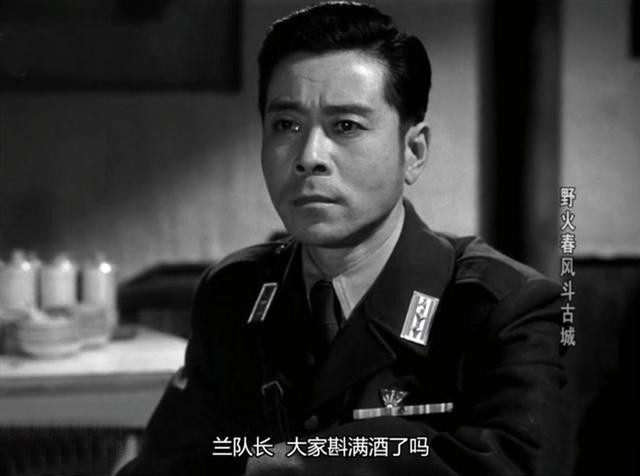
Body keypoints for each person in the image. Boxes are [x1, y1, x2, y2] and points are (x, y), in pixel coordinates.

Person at [118, 2, 572, 475]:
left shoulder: (501, 307)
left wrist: (298, 463)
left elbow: (519, 466)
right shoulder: (235, 293)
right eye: (286, 125)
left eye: (346, 126)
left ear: (413, 152)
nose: (309, 156)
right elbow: (171, 464)